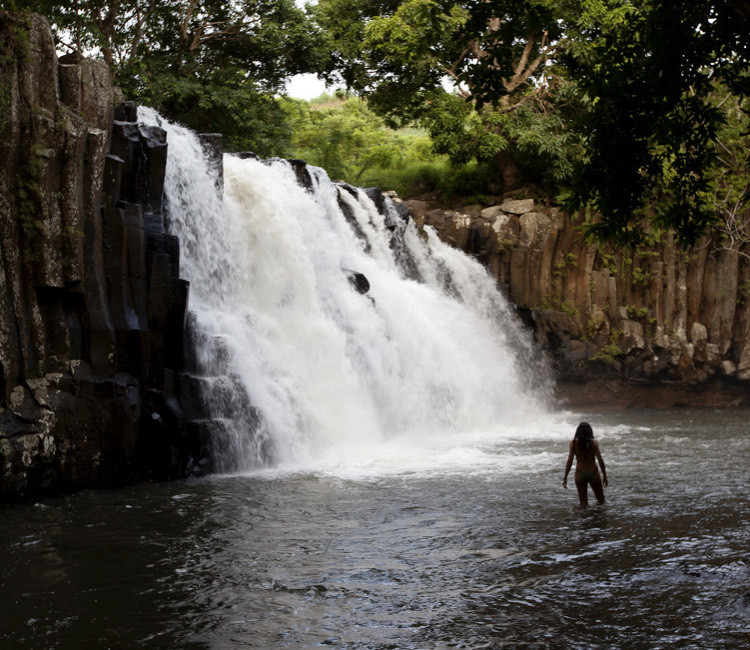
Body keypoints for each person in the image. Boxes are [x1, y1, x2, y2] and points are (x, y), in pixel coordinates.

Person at [563, 422, 608, 507]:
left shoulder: (573, 443)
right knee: (601, 501)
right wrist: (605, 476)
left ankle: (584, 519)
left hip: (580, 474)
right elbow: (600, 460)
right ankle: (599, 519)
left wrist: (565, 477)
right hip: (593, 473)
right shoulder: (593, 443)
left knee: (583, 504)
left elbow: (569, 461)